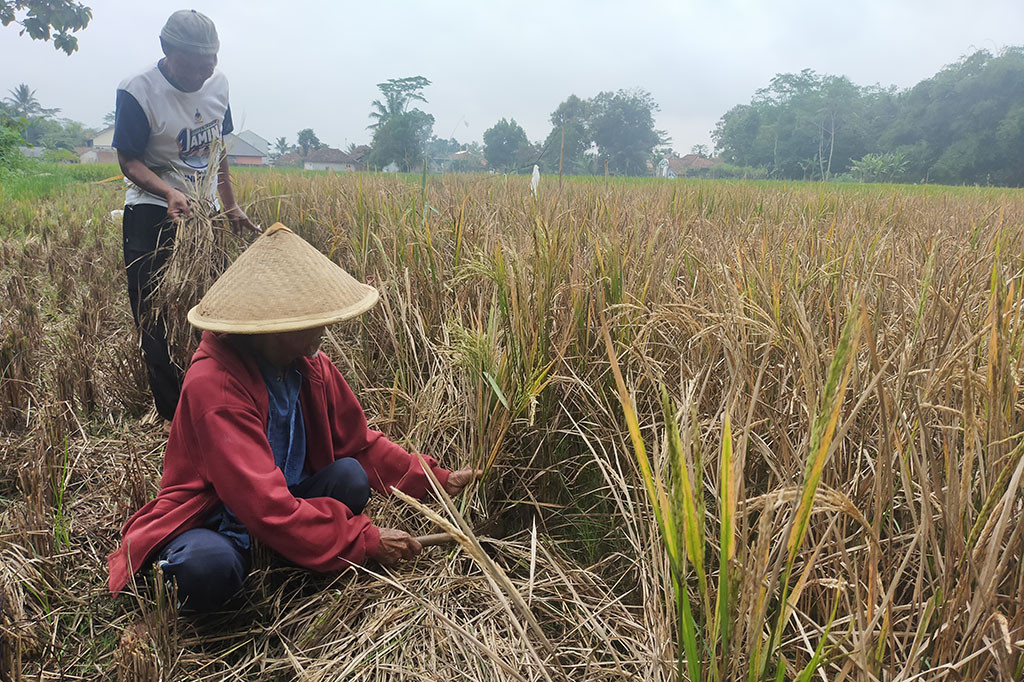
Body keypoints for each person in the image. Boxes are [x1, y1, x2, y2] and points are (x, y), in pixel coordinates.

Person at [107, 223, 482, 611]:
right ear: (276, 325)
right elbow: (264, 505)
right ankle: (215, 565)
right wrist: (361, 539)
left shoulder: (308, 366)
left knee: (351, 475)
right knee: (206, 569)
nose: (324, 328)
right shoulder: (216, 387)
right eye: (312, 319)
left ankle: (285, 549)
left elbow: (360, 444)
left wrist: (434, 480)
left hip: (283, 501)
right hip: (218, 518)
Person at [113, 9, 258, 435]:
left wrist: (229, 205)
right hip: (152, 209)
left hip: (204, 216)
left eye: (209, 62)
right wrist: (168, 193)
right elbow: (128, 159)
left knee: (215, 308)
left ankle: (219, 400)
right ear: (166, 51)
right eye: (193, 64)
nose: (202, 73)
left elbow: (219, 150)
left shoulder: (219, 84)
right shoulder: (137, 90)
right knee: (152, 314)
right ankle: (172, 415)